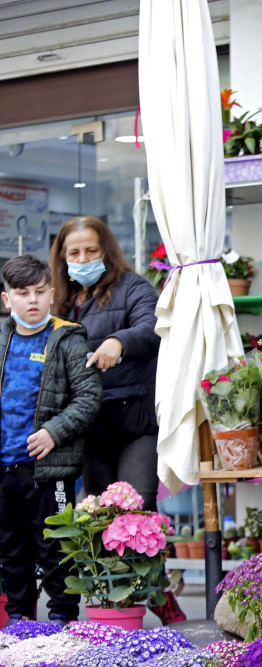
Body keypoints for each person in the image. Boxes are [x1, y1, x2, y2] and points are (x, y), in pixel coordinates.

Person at [49, 216, 186, 624]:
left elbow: (152, 328)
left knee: (137, 512)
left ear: (106, 250)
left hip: (134, 421)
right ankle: (117, 604)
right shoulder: (58, 298)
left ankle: (157, 596)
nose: (83, 258)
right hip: (87, 428)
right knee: (97, 521)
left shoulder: (133, 286)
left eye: (91, 250)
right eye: (74, 253)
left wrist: (118, 341)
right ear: (63, 257)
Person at [0, 255, 102, 625]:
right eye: (22, 293)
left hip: (49, 467)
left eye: (40, 292)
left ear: (52, 293)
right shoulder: (3, 339)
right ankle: (19, 619)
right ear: (6, 299)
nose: (32, 300)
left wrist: (53, 432)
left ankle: (62, 616)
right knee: (12, 548)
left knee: (56, 545)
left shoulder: (68, 338)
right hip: (4, 465)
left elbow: (89, 397)